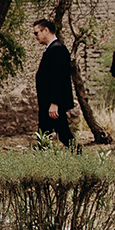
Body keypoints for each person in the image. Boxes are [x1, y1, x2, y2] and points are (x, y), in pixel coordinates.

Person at [32, 19, 75, 147]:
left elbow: (59, 78)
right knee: (47, 132)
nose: (35, 37)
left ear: (46, 30)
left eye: (36, 33)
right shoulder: (51, 49)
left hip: (53, 103)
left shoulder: (58, 49)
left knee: (62, 133)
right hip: (48, 102)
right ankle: (42, 160)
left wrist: (55, 103)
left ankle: (80, 156)